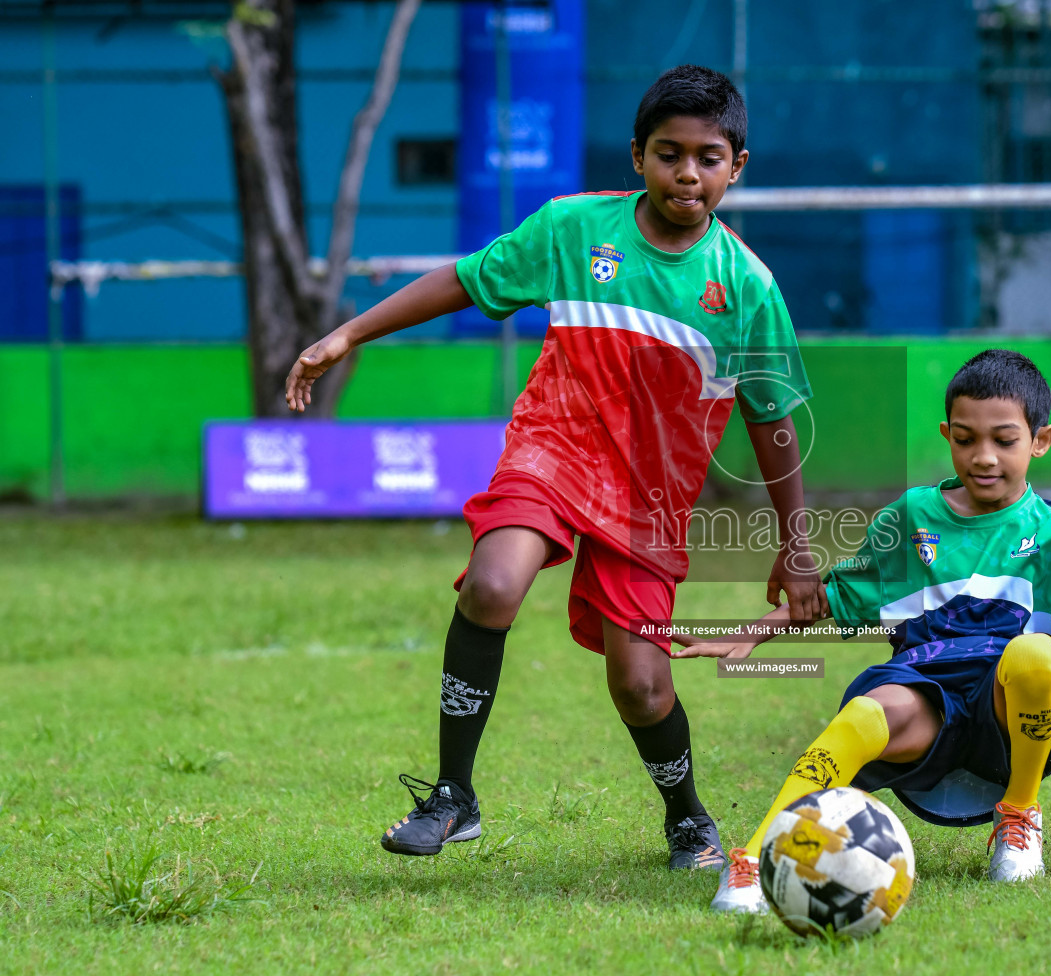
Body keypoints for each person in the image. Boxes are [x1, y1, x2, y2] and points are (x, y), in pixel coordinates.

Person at [284, 65, 826, 869]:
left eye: (708, 157)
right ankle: (453, 796)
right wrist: (350, 334)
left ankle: (687, 819)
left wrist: (797, 544)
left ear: (735, 167)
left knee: (640, 685)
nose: (687, 173)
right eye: (669, 153)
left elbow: (772, 419)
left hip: (649, 497)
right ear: (637, 156)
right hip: (554, 448)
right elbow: (467, 279)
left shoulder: (747, 285)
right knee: (494, 584)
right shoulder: (573, 230)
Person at [673, 350, 1051, 915]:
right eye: (965, 439)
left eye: (1004, 440)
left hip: (1007, 724)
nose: (983, 457)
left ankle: (1020, 815)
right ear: (947, 434)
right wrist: (747, 633)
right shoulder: (910, 517)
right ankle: (763, 856)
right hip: (927, 703)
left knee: (1038, 654)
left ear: (1041, 440)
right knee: (863, 712)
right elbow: (837, 599)